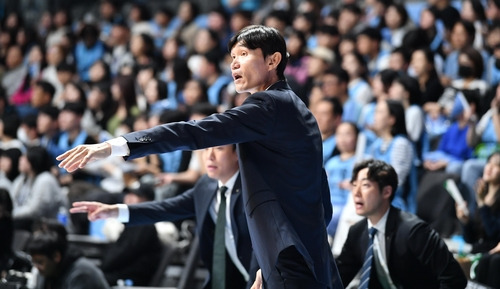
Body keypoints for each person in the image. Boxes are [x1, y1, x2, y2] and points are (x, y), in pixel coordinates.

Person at [57, 25, 342, 289]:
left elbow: (194, 132)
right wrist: (272, 257)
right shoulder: (298, 109)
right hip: (306, 253)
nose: (234, 63)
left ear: (273, 60)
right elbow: (320, 195)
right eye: (232, 56)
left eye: (243, 54)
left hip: (290, 257)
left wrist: (114, 146)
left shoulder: (267, 104)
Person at [71, 145, 255, 289]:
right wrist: (115, 211)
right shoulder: (206, 185)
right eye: (206, 149)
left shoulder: (255, 190)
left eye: (220, 148)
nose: (209, 156)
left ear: (237, 153)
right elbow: (167, 208)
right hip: (231, 278)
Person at [335, 159, 468, 289]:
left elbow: (454, 279)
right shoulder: (357, 233)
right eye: (354, 185)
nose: (356, 193)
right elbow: (336, 279)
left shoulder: (413, 231)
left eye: (365, 185)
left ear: (387, 191)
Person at [100, 184, 163, 286]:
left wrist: (101, 268)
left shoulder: (144, 225)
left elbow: (120, 256)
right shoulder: (133, 223)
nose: (128, 198)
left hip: (129, 281)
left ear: (147, 201)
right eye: (128, 194)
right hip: (117, 276)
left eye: (135, 195)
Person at [26, 220, 110, 289]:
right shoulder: (47, 271)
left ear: (56, 256)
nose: (36, 267)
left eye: (40, 262)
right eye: (34, 262)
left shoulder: (82, 273)